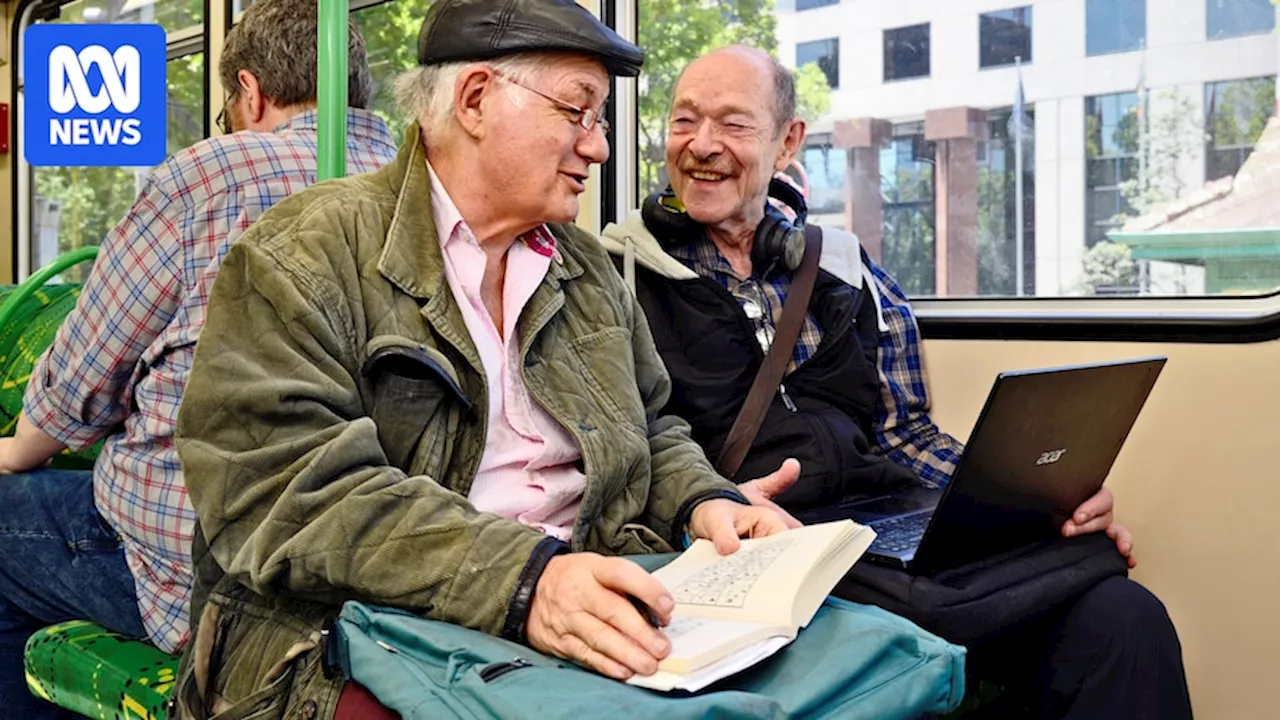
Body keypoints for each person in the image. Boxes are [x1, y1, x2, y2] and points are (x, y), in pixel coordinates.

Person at [169, 2, 797, 717]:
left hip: (589, 587)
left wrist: (706, 502)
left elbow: (652, 426)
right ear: (475, 100)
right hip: (358, 627)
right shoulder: (304, 256)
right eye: (579, 113)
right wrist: (527, 582)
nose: (597, 148)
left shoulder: (585, 270)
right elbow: (284, 494)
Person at [599, 44, 1193, 720]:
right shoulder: (613, 280)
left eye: (732, 124)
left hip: (885, 524)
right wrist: (705, 504)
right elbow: (623, 456)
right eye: (684, 121)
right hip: (756, 543)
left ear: (788, 140)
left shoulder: (850, 270)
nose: (702, 145)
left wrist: (1030, 500)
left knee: (1122, 617)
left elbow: (905, 433)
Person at [0, 1, 397, 715]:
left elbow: (85, 382)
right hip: (377, 552)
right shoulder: (418, 182)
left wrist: (19, 449)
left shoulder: (208, 178)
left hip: (202, 561)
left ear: (250, 91)